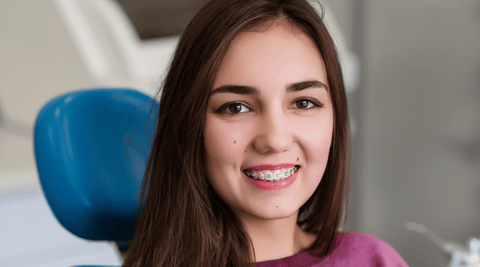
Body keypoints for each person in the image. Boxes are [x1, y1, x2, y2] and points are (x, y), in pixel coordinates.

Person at [122, 0, 409, 266]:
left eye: (303, 103)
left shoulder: (372, 259)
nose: (275, 140)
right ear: (190, 126)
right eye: (236, 108)